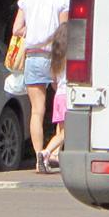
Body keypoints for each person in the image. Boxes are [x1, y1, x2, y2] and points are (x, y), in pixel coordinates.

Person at [12, 0, 70, 174]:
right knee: (62, 104)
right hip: (57, 56)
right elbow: (64, 29)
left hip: (34, 56)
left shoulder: (27, 0)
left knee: (37, 111)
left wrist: (31, 33)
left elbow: (17, 28)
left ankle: (39, 155)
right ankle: (53, 152)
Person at [42, 25, 68, 170]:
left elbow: (53, 81)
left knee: (61, 128)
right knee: (67, 131)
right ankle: (47, 151)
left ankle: (55, 154)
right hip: (68, 96)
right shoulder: (71, 57)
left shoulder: (56, 58)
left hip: (58, 96)